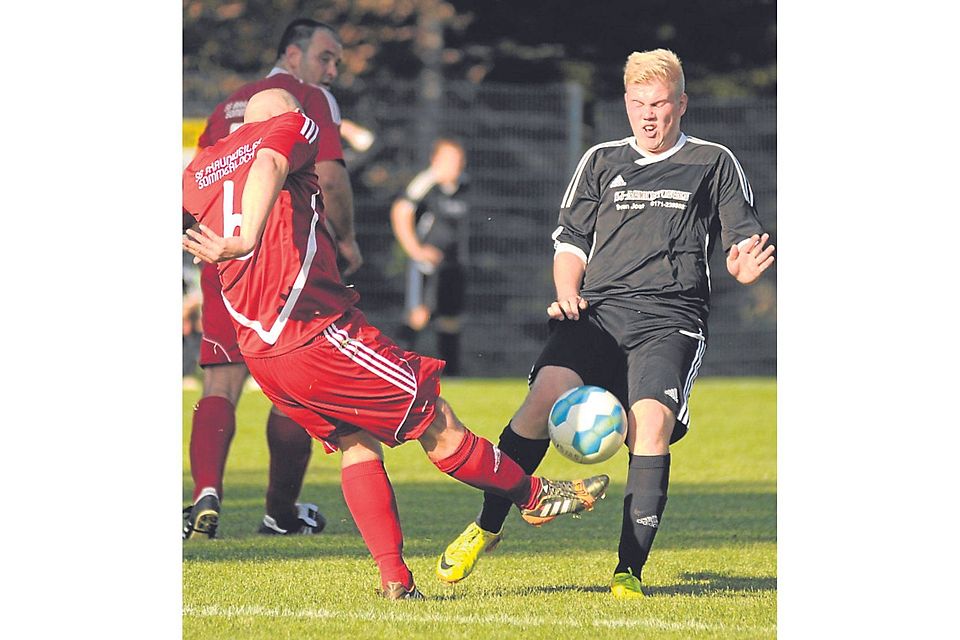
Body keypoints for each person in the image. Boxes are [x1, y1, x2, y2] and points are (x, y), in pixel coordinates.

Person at [182, 88, 611, 599]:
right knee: (436, 418)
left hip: (263, 353)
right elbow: (273, 160)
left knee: (355, 442)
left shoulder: (199, 168)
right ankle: (533, 493)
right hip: (315, 332)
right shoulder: (289, 127)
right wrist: (248, 237)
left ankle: (395, 581)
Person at [434, 49, 776, 599]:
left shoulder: (713, 162)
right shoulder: (600, 160)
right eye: (638, 104)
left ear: (681, 104)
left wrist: (741, 266)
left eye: (660, 104)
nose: (648, 115)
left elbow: (741, 246)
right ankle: (487, 525)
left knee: (649, 425)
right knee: (543, 399)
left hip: (671, 319)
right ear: (625, 103)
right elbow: (570, 242)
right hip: (595, 311)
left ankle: (627, 571)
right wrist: (567, 293)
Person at [183, 18, 362, 540]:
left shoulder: (229, 104)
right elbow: (329, 174)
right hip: (283, 258)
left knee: (220, 379)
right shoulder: (308, 98)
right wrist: (346, 239)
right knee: (296, 387)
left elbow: (197, 180)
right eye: (326, 57)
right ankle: (279, 511)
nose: (332, 70)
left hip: (222, 254)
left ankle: (205, 494)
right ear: (294, 54)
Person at [390, 138, 470, 374]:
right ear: (435, 161)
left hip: (454, 264)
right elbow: (400, 212)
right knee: (419, 315)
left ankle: (454, 376)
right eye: (449, 159)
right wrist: (415, 250)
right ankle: (396, 369)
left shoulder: (465, 186)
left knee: (450, 319)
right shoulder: (426, 183)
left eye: (458, 159)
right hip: (426, 265)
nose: (455, 165)